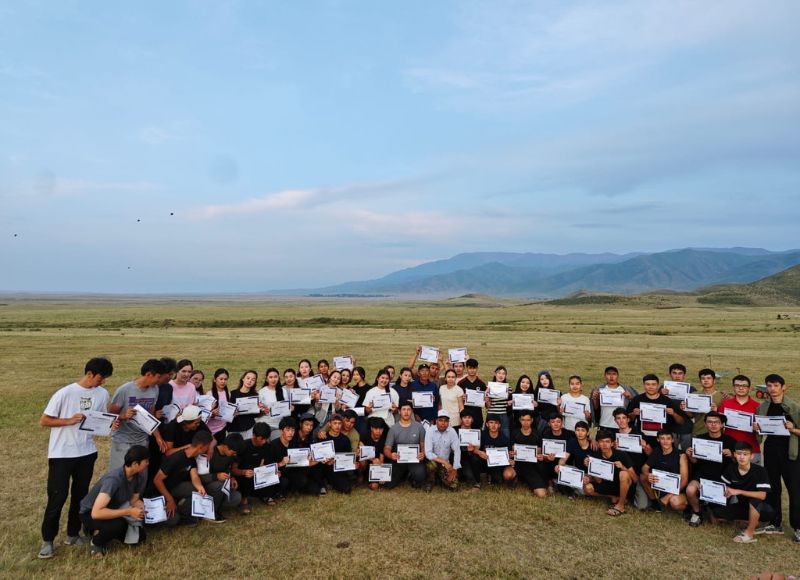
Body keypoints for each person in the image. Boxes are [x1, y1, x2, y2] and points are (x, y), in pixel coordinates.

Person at [39, 357, 114, 559]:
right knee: (57, 497)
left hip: (87, 453)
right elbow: (44, 420)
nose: (103, 382)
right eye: (100, 377)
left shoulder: (102, 393)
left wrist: (110, 424)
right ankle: (48, 541)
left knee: (80, 496)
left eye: (105, 378)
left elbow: (100, 419)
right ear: (89, 373)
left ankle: (73, 534)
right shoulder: (64, 393)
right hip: (62, 454)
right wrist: (69, 420)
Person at [78, 444, 149, 558]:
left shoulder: (137, 476)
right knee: (117, 525)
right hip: (89, 513)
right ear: (135, 464)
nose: (148, 464)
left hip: (113, 508)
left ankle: (101, 530)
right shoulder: (113, 480)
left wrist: (151, 508)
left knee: (140, 538)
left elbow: (134, 501)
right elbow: (96, 513)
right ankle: (96, 542)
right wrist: (129, 512)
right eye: (146, 461)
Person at [755, 373, 800, 540]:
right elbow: (760, 433)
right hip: (771, 451)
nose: (772, 389)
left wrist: (793, 429)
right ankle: (775, 522)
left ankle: (798, 527)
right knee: (773, 488)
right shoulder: (763, 407)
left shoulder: (794, 407)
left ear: (783, 387)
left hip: (791, 453)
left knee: (794, 490)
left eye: (776, 385)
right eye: (769, 386)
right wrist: (756, 429)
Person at [108, 359, 168, 472]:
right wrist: (124, 416)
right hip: (123, 440)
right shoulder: (124, 390)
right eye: (158, 377)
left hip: (142, 440)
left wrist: (158, 437)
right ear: (149, 374)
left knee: (140, 474)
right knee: (120, 473)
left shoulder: (155, 389)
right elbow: (110, 415)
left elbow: (151, 416)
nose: (160, 380)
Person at [152, 430, 224, 525]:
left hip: (176, 486)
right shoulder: (176, 458)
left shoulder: (192, 457)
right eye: (208, 446)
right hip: (162, 491)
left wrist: (199, 487)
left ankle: (185, 512)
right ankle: (176, 512)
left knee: (197, 489)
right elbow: (157, 480)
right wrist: (169, 499)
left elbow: (194, 476)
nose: (209, 449)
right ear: (201, 447)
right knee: (173, 519)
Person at [710, 442, 774, 543]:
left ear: (751, 456)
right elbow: (723, 487)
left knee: (754, 501)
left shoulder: (760, 471)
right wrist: (707, 489)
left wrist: (739, 491)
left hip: (763, 508)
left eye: (745, 454)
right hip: (743, 506)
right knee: (717, 513)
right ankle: (753, 523)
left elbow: (762, 495)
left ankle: (749, 534)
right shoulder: (731, 468)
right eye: (739, 453)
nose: (742, 457)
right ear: (734, 454)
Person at [685, 411, 736, 526]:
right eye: (710, 422)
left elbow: (738, 464)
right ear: (705, 424)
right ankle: (697, 512)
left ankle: (708, 506)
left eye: (716, 422)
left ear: (722, 425)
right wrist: (690, 456)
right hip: (702, 475)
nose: (713, 425)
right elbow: (695, 461)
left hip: (723, 478)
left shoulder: (731, 441)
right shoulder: (699, 439)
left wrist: (732, 455)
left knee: (717, 521)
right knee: (690, 490)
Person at [583, 430, 637, 516]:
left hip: (622, 485)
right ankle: (613, 497)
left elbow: (635, 479)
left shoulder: (622, 455)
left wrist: (623, 467)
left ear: (612, 443)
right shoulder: (595, 456)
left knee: (623, 474)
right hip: (607, 485)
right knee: (587, 488)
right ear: (598, 443)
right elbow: (599, 481)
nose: (604, 444)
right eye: (601, 441)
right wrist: (589, 470)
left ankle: (621, 505)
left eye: (607, 441)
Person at [626, 374, 685, 447]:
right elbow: (628, 420)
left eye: (653, 384)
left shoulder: (667, 401)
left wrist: (673, 414)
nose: (650, 387)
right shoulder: (637, 399)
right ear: (644, 385)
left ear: (658, 385)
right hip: (644, 438)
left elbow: (681, 422)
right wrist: (633, 414)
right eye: (647, 384)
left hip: (663, 439)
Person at [640, 430, 688, 513]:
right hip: (660, 484)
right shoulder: (657, 451)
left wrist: (669, 496)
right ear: (658, 439)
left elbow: (684, 481)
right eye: (662, 438)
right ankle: (655, 505)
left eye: (668, 438)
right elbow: (644, 468)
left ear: (672, 440)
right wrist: (648, 474)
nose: (665, 441)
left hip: (675, 488)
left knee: (675, 502)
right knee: (643, 476)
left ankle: (688, 509)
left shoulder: (681, 455)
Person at [718, 375, 762, 464]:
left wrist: (758, 429)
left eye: (744, 386)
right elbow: (719, 427)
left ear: (749, 388)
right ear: (733, 387)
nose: (741, 388)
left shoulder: (758, 406)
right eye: (737, 385)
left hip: (751, 450)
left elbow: (763, 431)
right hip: (729, 450)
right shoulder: (725, 404)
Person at [384, 401, 426, 489]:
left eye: (408, 410)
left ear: (412, 411)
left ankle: (410, 475)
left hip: (414, 460)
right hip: (398, 460)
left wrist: (423, 453)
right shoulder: (393, 429)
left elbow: (423, 445)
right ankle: (404, 474)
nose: (406, 412)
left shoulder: (419, 427)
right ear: (399, 412)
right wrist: (391, 455)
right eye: (403, 409)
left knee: (420, 477)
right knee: (388, 484)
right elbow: (387, 448)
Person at [232, 423, 272, 514]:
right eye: (262, 439)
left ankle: (265, 495)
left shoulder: (266, 446)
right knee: (247, 478)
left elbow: (268, 463)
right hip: (242, 476)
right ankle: (243, 500)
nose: (264, 442)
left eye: (266, 439)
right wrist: (243, 472)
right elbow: (233, 469)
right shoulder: (243, 446)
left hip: (258, 474)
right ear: (254, 435)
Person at [201, 433, 244, 513]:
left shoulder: (230, 456)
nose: (234, 455)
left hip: (222, 486)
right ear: (226, 446)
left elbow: (228, 469)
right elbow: (201, 477)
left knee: (237, 497)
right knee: (218, 485)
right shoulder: (211, 452)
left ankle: (216, 505)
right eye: (233, 452)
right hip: (206, 486)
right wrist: (216, 476)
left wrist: (231, 478)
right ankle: (211, 511)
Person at [510, 410, 547, 497]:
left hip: (532, 466)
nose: (525, 423)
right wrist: (511, 454)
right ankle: (517, 478)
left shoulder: (537, 433)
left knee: (542, 494)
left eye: (528, 420)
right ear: (519, 420)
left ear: (532, 420)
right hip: (518, 464)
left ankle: (527, 480)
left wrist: (540, 455)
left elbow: (539, 451)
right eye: (523, 420)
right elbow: (512, 449)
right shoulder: (514, 433)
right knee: (508, 474)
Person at [315, 414, 353, 494]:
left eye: (339, 423)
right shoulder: (323, 437)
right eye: (335, 423)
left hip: (337, 467)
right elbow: (317, 455)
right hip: (323, 466)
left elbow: (347, 458)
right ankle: (322, 485)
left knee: (346, 489)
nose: (337, 426)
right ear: (330, 424)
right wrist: (325, 461)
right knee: (317, 467)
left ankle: (330, 482)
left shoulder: (345, 440)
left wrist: (336, 461)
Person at [424, 411, 461, 491]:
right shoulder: (430, 431)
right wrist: (444, 462)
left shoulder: (452, 431)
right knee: (431, 465)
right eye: (440, 420)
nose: (443, 423)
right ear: (436, 421)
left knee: (454, 486)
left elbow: (457, 450)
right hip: (433, 461)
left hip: (445, 465)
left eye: (446, 421)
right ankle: (430, 482)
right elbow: (428, 453)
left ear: (448, 422)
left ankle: (439, 478)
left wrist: (455, 469)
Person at [591, 366, 636, 432]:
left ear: (618, 376)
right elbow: (595, 408)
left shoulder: (626, 389)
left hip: (622, 426)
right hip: (604, 425)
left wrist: (630, 398)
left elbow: (636, 405)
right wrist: (595, 399)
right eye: (609, 374)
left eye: (614, 374)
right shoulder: (600, 389)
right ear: (605, 376)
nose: (611, 377)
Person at [682, 368, 725, 437]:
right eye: (703, 378)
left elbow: (725, 418)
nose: (706, 380)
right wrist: (685, 409)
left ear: (714, 381)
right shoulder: (694, 395)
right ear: (700, 381)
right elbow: (691, 415)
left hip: (716, 434)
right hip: (698, 432)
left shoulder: (721, 396)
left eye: (708, 378)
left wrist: (716, 411)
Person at [287, 413, 322, 496]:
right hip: (292, 468)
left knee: (315, 488)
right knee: (302, 481)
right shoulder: (292, 436)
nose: (309, 428)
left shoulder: (311, 438)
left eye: (311, 425)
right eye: (306, 424)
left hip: (306, 466)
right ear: (300, 424)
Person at [556, 420, 592, 497]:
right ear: (575, 432)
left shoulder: (593, 445)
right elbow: (563, 458)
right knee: (558, 468)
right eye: (578, 430)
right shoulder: (572, 441)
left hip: (588, 475)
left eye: (583, 430)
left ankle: (570, 488)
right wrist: (560, 465)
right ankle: (572, 488)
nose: (580, 433)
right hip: (577, 471)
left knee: (588, 489)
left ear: (587, 433)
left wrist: (589, 478)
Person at [475, 415, 514, 485]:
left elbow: (508, 454)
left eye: (496, 423)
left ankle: (494, 475)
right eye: (491, 422)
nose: (493, 425)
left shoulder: (504, 438)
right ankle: (482, 475)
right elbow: (474, 450)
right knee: (476, 458)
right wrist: (479, 452)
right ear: (487, 424)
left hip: (497, 464)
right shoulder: (482, 435)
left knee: (498, 480)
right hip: (484, 461)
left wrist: (510, 456)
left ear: (499, 425)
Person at [664, 363, 695, 450]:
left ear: (684, 375)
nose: (677, 376)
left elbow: (692, 415)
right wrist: (662, 396)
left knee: (687, 452)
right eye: (674, 373)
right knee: (670, 452)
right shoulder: (664, 389)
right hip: (669, 428)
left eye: (680, 373)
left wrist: (686, 408)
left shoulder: (691, 390)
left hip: (686, 429)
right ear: (670, 374)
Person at [256, 367, 286, 441]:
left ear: (278, 378)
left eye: (275, 377)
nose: (273, 379)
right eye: (270, 377)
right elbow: (257, 410)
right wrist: (263, 410)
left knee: (276, 443)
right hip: (264, 424)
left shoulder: (283, 391)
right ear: (267, 379)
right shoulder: (262, 391)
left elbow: (286, 408)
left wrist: (290, 408)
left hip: (277, 425)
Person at [358, 417, 388, 491]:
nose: (378, 431)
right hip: (366, 460)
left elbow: (381, 460)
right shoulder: (364, 435)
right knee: (362, 461)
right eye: (376, 429)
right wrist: (373, 459)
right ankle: (360, 475)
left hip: (376, 464)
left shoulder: (384, 439)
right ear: (371, 428)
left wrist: (381, 476)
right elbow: (362, 452)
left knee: (374, 487)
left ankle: (371, 479)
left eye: (381, 429)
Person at [228, 370, 258, 439]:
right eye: (248, 378)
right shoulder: (232, 394)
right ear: (243, 379)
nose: (250, 381)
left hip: (249, 428)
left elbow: (255, 415)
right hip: (234, 429)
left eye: (253, 380)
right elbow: (227, 413)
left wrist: (259, 409)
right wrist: (232, 413)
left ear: (255, 382)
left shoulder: (255, 396)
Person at [456, 410, 483, 489]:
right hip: (459, 457)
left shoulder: (477, 431)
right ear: (461, 419)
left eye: (469, 417)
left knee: (470, 475)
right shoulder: (455, 430)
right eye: (465, 417)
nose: (467, 420)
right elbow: (453, 447)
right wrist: (465, 448)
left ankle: (478, 481)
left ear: (472, 419)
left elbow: (478, 447)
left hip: (471, 458)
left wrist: (474, 449)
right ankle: (459, 475)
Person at [458, 358, 486, 430]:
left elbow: (486, 404)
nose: (472, 370)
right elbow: (458, 401)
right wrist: (462, 398)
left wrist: (485, 399)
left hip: (477, 418)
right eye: (470, 368)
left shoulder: (482, 384)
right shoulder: (461, 383)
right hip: (465, 419)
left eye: (474, 368)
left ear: (477, 368)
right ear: (466, 368)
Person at [207, 368, 232, 444]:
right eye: (221, 379)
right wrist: (212, 414)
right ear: (215, 379)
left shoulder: (228, 393)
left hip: (222, 428)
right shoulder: (209, 394)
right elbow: (205, 414)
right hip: (210, 430)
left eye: (225, 379)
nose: (223, 381)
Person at [487, 366, 512, 439]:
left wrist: (509, 402)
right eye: (499, 373)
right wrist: (486, 396)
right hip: (491, 413)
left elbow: (508, 403)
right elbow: (487, 405)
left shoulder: (508, 388)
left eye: (503, 374)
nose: (501, 375)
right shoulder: (489, 387)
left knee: (505, 434)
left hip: (503, 414)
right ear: (495, 374)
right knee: (489, 435)